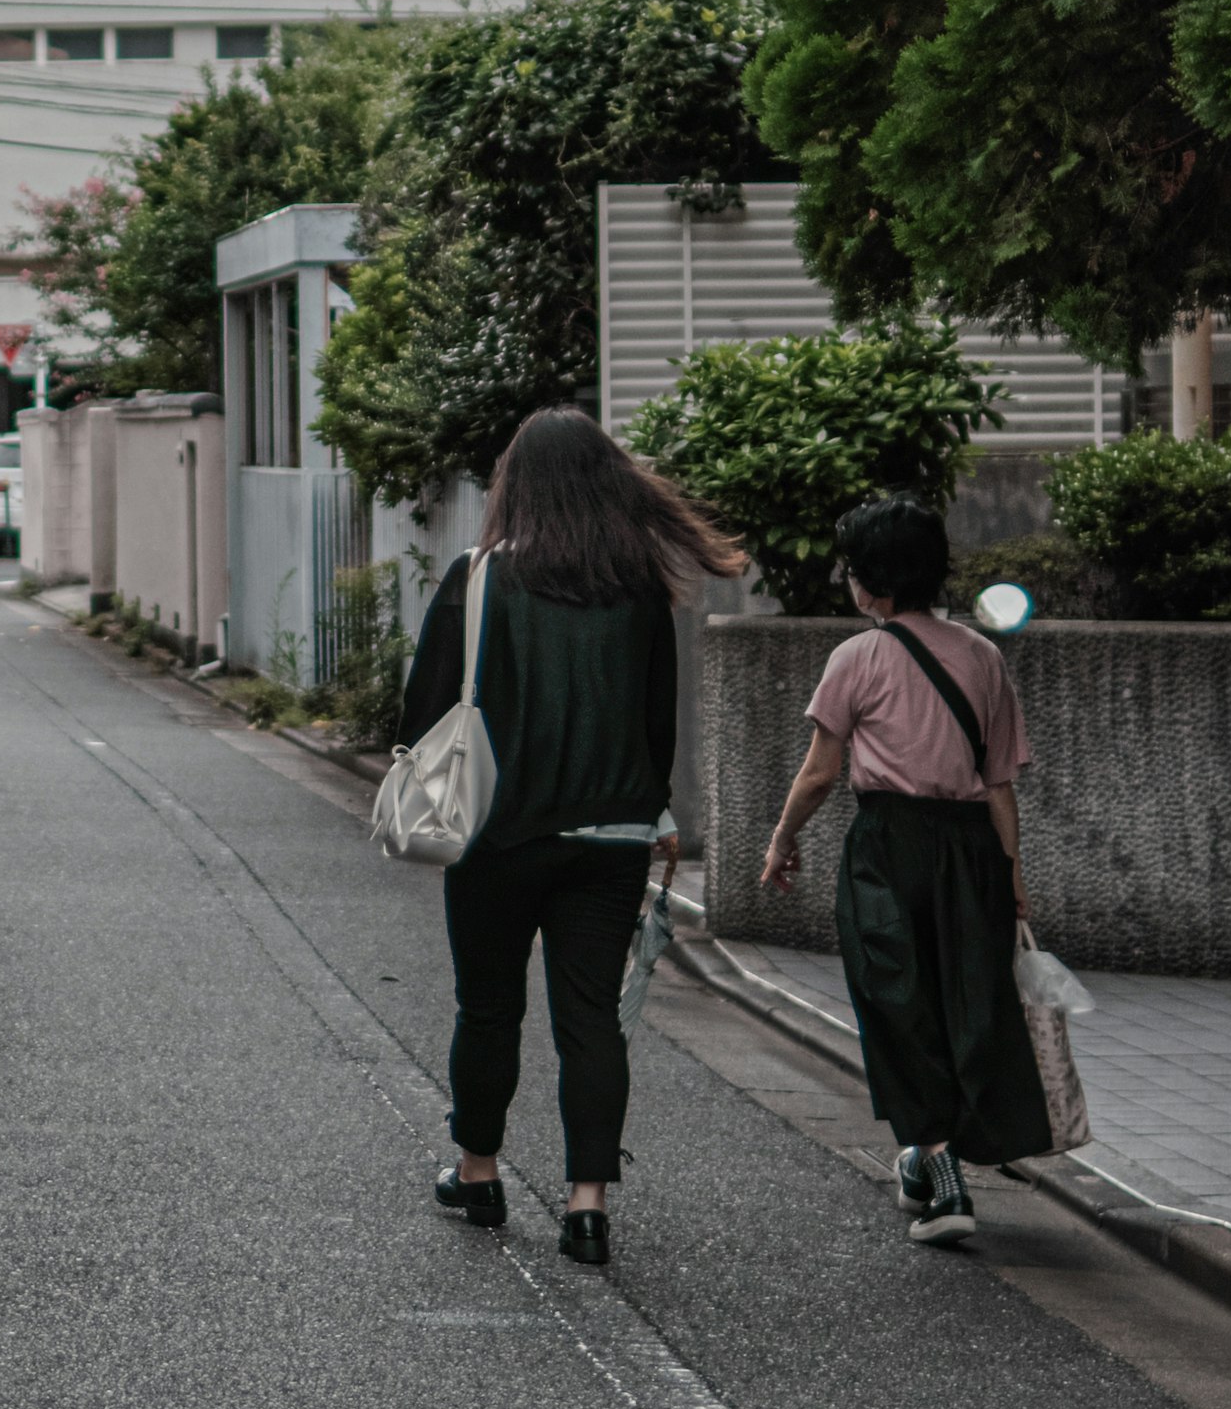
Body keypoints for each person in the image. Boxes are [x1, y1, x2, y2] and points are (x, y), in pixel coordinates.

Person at [402, 406, 746, 1268]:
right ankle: (587, 1205)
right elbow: (655, 725)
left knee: (489, 1008)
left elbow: (423, 713)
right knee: (591, 1019)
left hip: (496, 835)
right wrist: (653, 815)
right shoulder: (637, 592)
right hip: (611, 836)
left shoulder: (477, 578)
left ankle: (478, 1172)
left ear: (515, 484)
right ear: (608, 485)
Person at [758, 495, 1047, 1246]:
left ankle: (943, 1173)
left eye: (852, 570)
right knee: (965, 1004)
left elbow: (820, 773)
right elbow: (999, 784)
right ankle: (925, 1160)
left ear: (871, 583)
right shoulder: (983, 656)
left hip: (889, 846)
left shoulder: (857, 658)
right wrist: (1012, 878)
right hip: (970, 847)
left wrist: (782, 839)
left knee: (895, 1002)